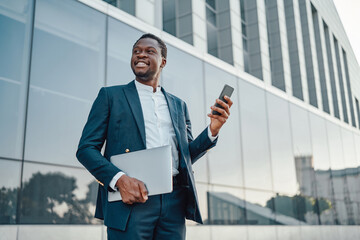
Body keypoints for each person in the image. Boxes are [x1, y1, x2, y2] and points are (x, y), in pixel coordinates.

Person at [76, 33, 232, 240]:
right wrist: (119, 180)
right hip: (130, 201)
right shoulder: (110, 96)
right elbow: (86, 149)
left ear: (163, 62)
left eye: (149, 51)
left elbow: (185, 156)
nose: (141, 55)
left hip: (174, 201)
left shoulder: (179, 105)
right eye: (136, 51)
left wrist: (213, 129)